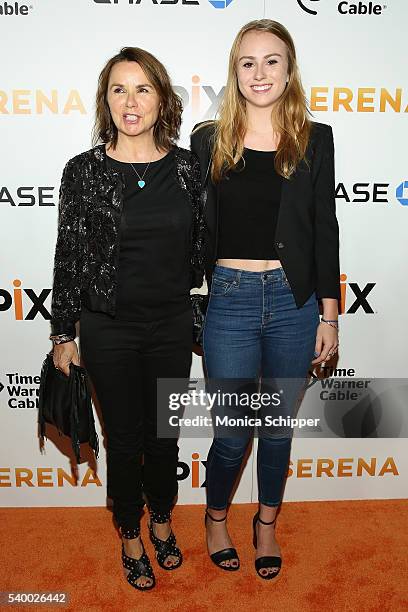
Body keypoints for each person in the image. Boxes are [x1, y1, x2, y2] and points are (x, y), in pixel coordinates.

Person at [51, 47, 204, 591]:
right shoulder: (83, 171)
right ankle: (129, 533)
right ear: (105, 100)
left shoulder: (189, 169)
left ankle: (161, 520)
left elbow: (206, 251)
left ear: (162, 97)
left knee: (164, 435)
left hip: (169, 326)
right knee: (124, 438)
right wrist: (63, 332)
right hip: (106, 328)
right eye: (119, 89)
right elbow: (68, 253)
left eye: (142, 88)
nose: (130, 101)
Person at [191, 19, 340, 581]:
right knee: (232, 432)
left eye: (272, 61)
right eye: (248, 62)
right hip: (227, 299)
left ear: (289, 68)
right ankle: (214, 517)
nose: (260, 73)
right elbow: (194, 225)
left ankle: (268, 525)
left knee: (277, 429)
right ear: (235, 71)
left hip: (294, 302)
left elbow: (325, 227)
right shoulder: (209, 139)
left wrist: (330, 314)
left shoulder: (315, 137)